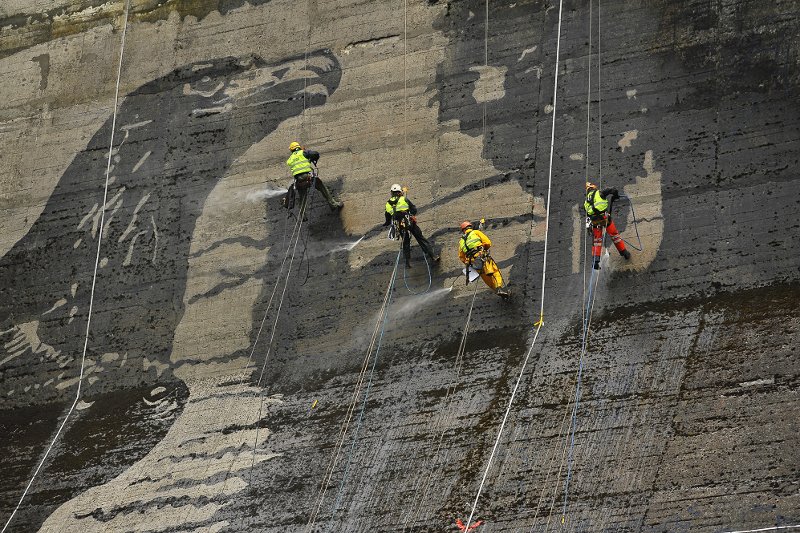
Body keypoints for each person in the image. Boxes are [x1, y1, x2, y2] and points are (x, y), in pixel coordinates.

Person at [383, 184, 440, 267]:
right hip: (409, 222)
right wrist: (412, 214)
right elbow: (414, 209)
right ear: (399, 192)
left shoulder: (388, 204)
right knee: (421, 239)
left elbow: (387, 217)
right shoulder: (404, 199)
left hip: (400, 226)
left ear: (392, 193)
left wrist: (387, 223)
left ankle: (407, 263)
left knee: (405, 242)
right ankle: (433, 256)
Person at [284, 141, 343, 213]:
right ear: (298, 147)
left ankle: (302, 215)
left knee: (302, 197)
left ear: (291, 150)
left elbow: (293, 163)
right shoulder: (303, 153)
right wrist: (310, 157)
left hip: (299, 180)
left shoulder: (290, 159)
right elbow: (315, 154)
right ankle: (333, 204)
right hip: (308, 176)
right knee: (321, 186)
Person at [584, 181, 631, 269]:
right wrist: (616, 195)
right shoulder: (599, 193)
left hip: (595, 222)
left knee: (597, 241)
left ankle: (595, 262)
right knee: (614, 235)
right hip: (604, 218)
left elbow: (588, 213)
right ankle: (624, 253)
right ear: (594, 188)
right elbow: (613, 190)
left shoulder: (586, 201)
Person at [458, 221, 510, 298]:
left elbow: (461, 257)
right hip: (482, 256)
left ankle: (496, 290)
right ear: (470, 227)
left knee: (486, 277)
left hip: (474, 262)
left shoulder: (461, 241)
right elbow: (487, 242)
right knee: (494, 272)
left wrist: (469, 263)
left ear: (463, 230)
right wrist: (483, 249)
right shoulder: (476, 232)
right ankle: (499, 288)